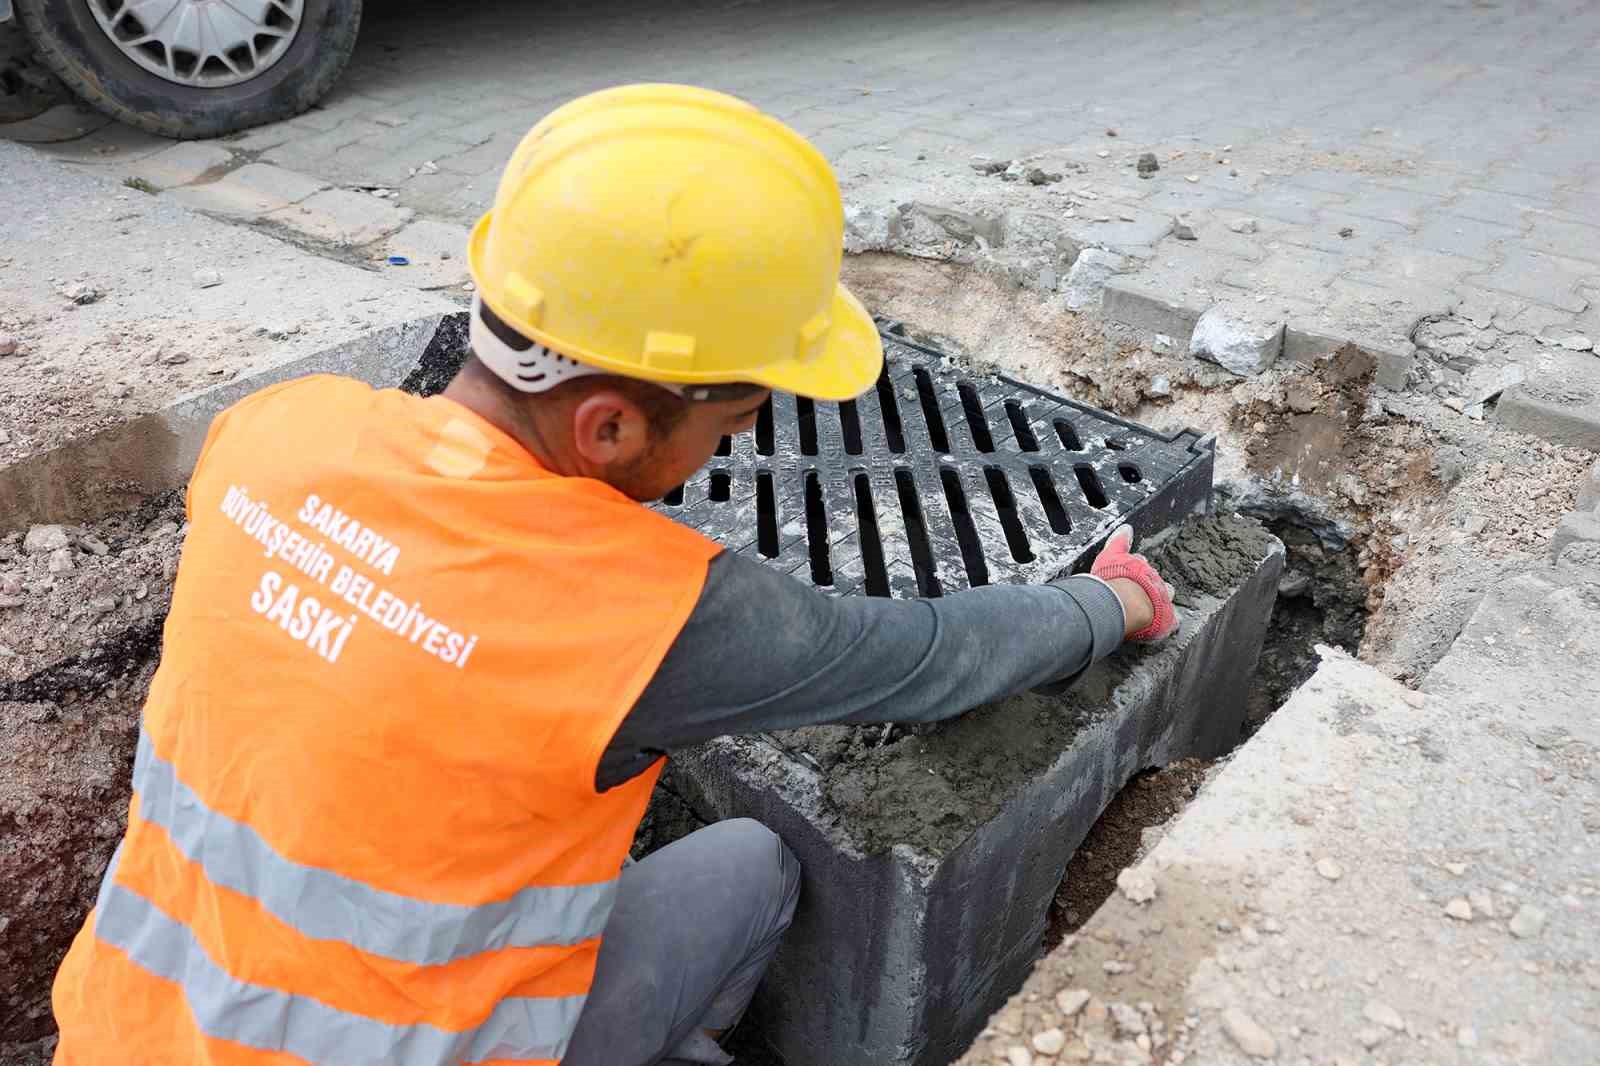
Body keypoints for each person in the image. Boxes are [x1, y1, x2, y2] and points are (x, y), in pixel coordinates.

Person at [50, 85, 1179, 1066]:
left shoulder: (273, 434)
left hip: (125, 1034)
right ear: (604, 428)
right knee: (752, 863)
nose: (737, 445)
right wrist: (1114, 601)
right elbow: (930, 660)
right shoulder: (642, 613)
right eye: (737, 416)